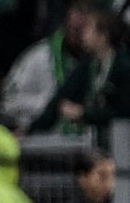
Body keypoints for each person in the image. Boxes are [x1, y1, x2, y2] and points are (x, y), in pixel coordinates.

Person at [29, 9, 130, 149]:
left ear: (103, 35)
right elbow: (61, 98)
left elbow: (123, 111)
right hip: (99, 143)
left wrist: (84, 113)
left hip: (124, 143)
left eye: (88, 28)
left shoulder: (123, 66)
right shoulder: (88, 65)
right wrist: (30, 131)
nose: (83, 34)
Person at [0, 0, 96, 134]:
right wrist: (50, 104)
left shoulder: (100, 63)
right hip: (44, 146)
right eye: (74, 29)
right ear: (65, 22)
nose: (78, 36)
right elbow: (7, 103)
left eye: (83, 30)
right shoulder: (39, 56)